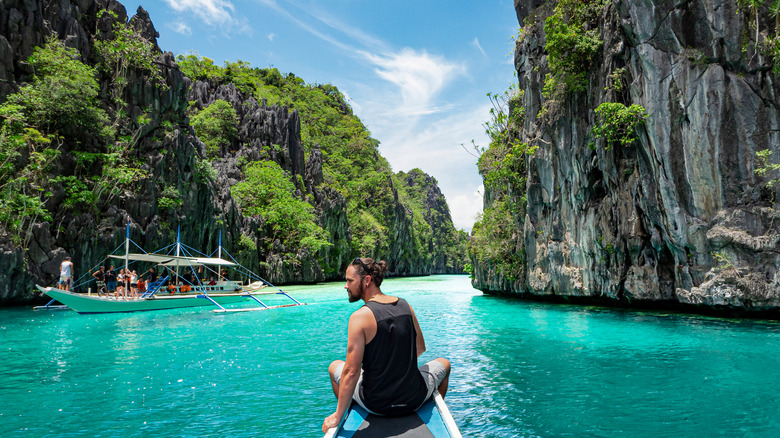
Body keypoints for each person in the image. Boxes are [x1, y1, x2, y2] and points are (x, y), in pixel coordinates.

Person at [322, 257, 451, 432]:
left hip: (375, 404)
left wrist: (336, 416)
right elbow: (419, 348)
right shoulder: (406, 306)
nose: (346, 286)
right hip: (413, 399)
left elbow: (352, 371)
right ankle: (429, 409)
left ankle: (345, 412)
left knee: (334, 367)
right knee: (445, 364)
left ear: (367, 281)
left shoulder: (359, 317)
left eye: (349, 280)